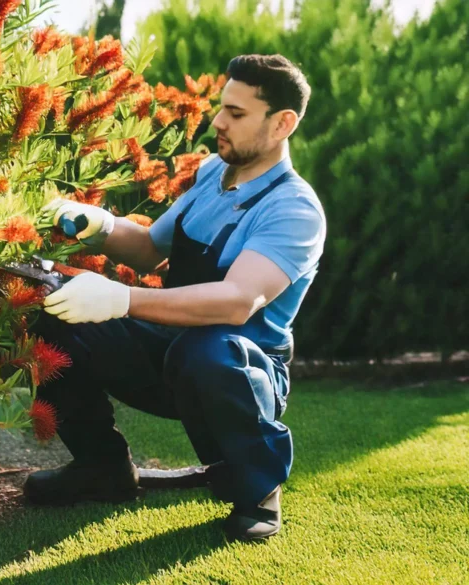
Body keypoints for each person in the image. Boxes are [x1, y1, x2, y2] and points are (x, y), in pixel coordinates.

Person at [26, 54, 326, 541]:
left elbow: (235, 301)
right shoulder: (214, 173)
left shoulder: (294, 209)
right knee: (48, 309)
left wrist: (121, 300)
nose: (218, 122)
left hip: (239, 371)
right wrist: (94, 223)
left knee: (208, 348)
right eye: (222, 107)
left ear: (283, 124)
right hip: (171, 347)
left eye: (237, 113)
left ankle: (257, 489)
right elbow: (148, 251)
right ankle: (101, 468)